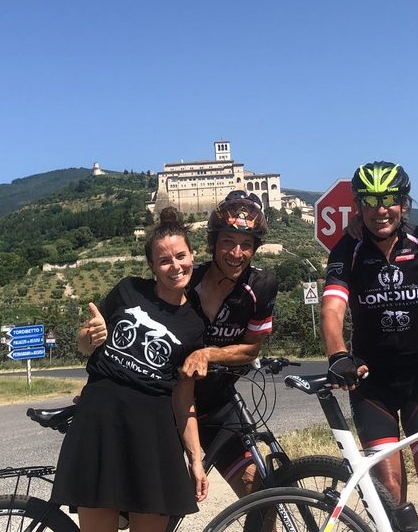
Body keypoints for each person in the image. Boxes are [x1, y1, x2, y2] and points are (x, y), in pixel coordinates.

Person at [50, 208, 208, 532]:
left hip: (154, 436)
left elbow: (183, 400)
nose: (175, 266)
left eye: (181, 256)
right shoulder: (128, 290)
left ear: (193, 255)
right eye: (164, 260)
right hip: (100, 423)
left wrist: (195, 458)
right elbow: (84, 343)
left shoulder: (195, 325)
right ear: (152, 266)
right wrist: (88, 335)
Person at [321, 161, 418, 519]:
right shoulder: (347, 250)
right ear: (360, 206)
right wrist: (337, 354)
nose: (381, 209)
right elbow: (332, 307)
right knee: (389, 488)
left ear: (404, 203)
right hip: (371, 384)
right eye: (371, 201)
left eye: (390, 199)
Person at [180, 190, 279, 497]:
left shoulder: (260, 286)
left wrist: (209, 354)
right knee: (153, 506)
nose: (237, 253)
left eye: (246, 245)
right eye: (228, 242)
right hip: (168, 405)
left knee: (256, 486)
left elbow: (252, 348)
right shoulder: (184, 282)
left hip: (218, 406)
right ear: (213, 244)